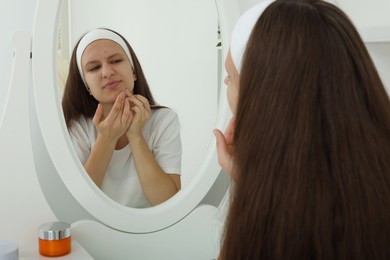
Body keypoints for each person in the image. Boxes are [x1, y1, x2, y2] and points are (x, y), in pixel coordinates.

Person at [214, 0, 390, 259]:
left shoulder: (279, 225)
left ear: (267, 102)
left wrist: (250, 190)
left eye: (231, 76)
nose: (226, 82)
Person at [62, 28, 182, 208]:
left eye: (116, 61)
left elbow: (167, 202)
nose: (107, 72)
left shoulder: (164, 120)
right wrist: (106, 139)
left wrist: (135, 136)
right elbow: (78, 202)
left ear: (133, 71)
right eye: (94, 68)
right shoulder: (77, 126)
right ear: (87, 86)